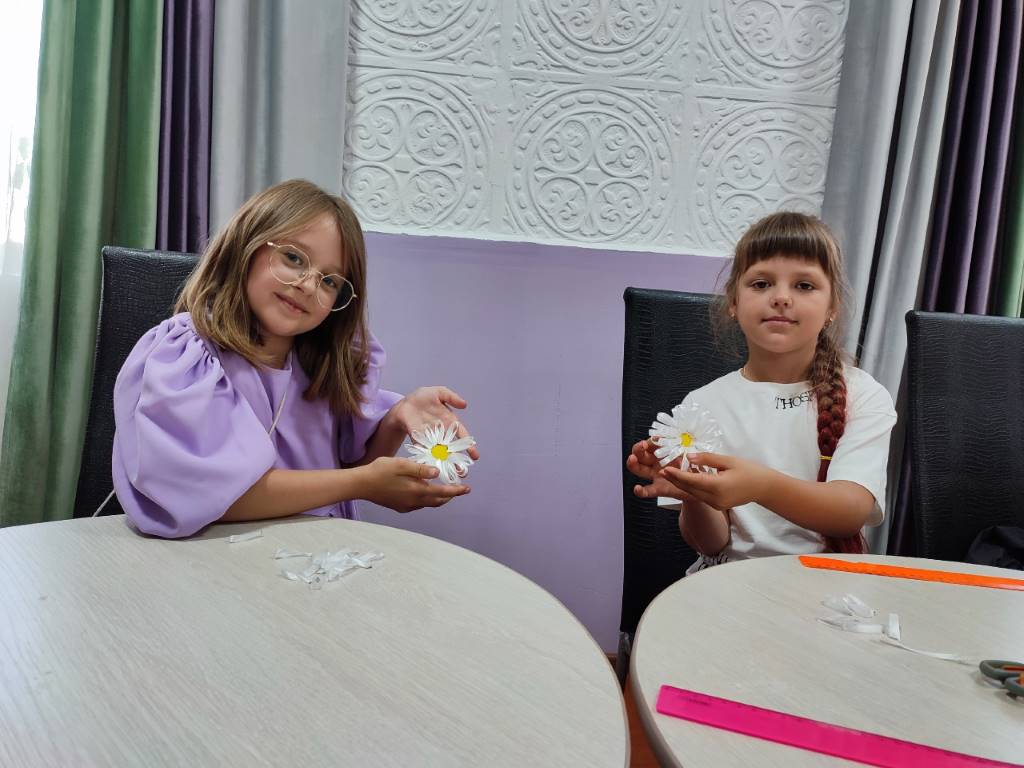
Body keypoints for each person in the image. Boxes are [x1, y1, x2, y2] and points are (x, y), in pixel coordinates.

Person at [112, 179, 475, 538]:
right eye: (293, 258)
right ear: (245, 246)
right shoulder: (186, 354)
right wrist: (361, 483)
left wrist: (396, 418)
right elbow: (210, 498)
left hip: (310, 555)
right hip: (212, 559)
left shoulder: (321, 365)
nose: (308, 285)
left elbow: (349, 468)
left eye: (330, 281)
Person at [627, 212, 896, 572]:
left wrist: (760, 487)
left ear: (832, 308)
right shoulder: (702, 405)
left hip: (823, 585)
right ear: (734, 302)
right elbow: (711, 543)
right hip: (728, 582)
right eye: (761, 284)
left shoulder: (864, 394)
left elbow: (850, 512)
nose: (781, 297)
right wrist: (695, 495)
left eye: (804, 286)